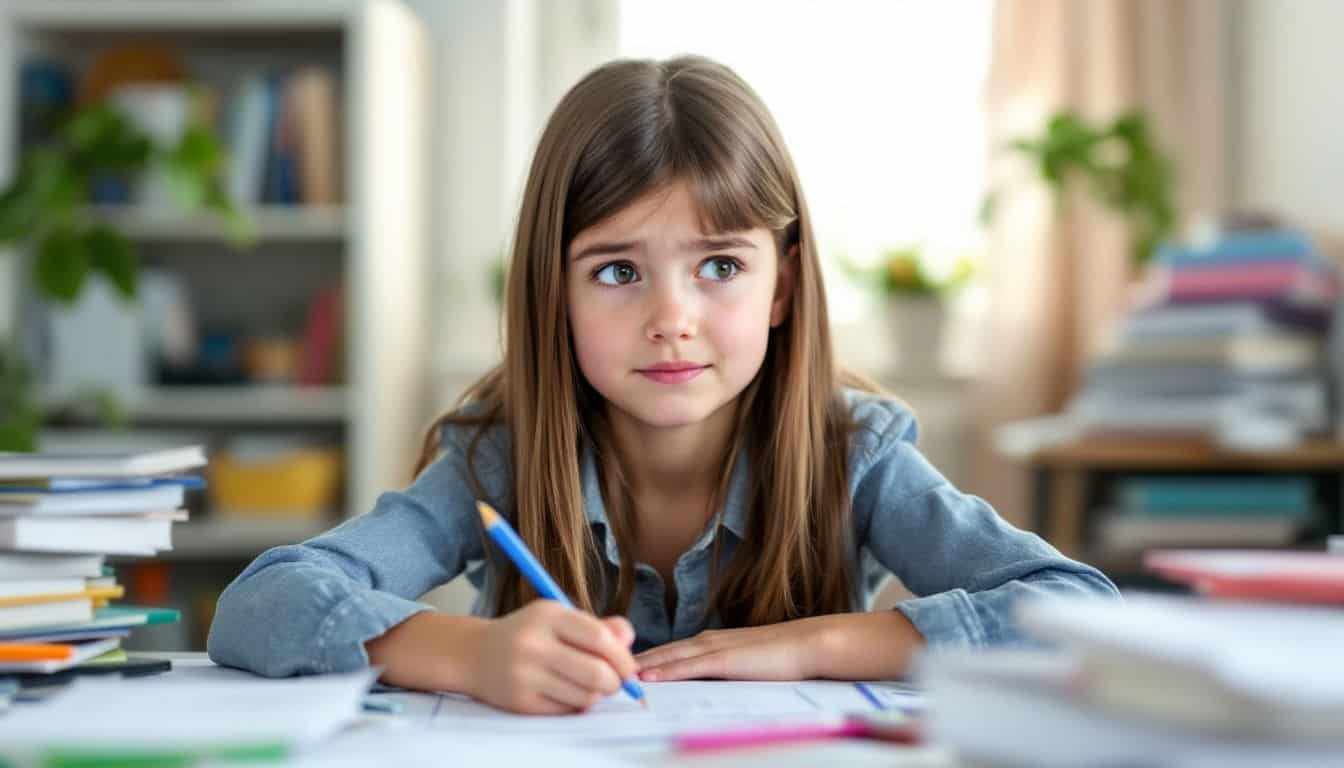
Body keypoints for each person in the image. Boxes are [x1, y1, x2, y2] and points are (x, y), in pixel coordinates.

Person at [208, 55, 1118, 715]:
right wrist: (471, 653)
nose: (671, 317)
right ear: (550, 293)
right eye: (615, 272)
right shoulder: (501, 456)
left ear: (783, 287)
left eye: (720, 265)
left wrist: (810, 644)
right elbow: (262, 602)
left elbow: (1079, 613)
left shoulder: (858, 455)